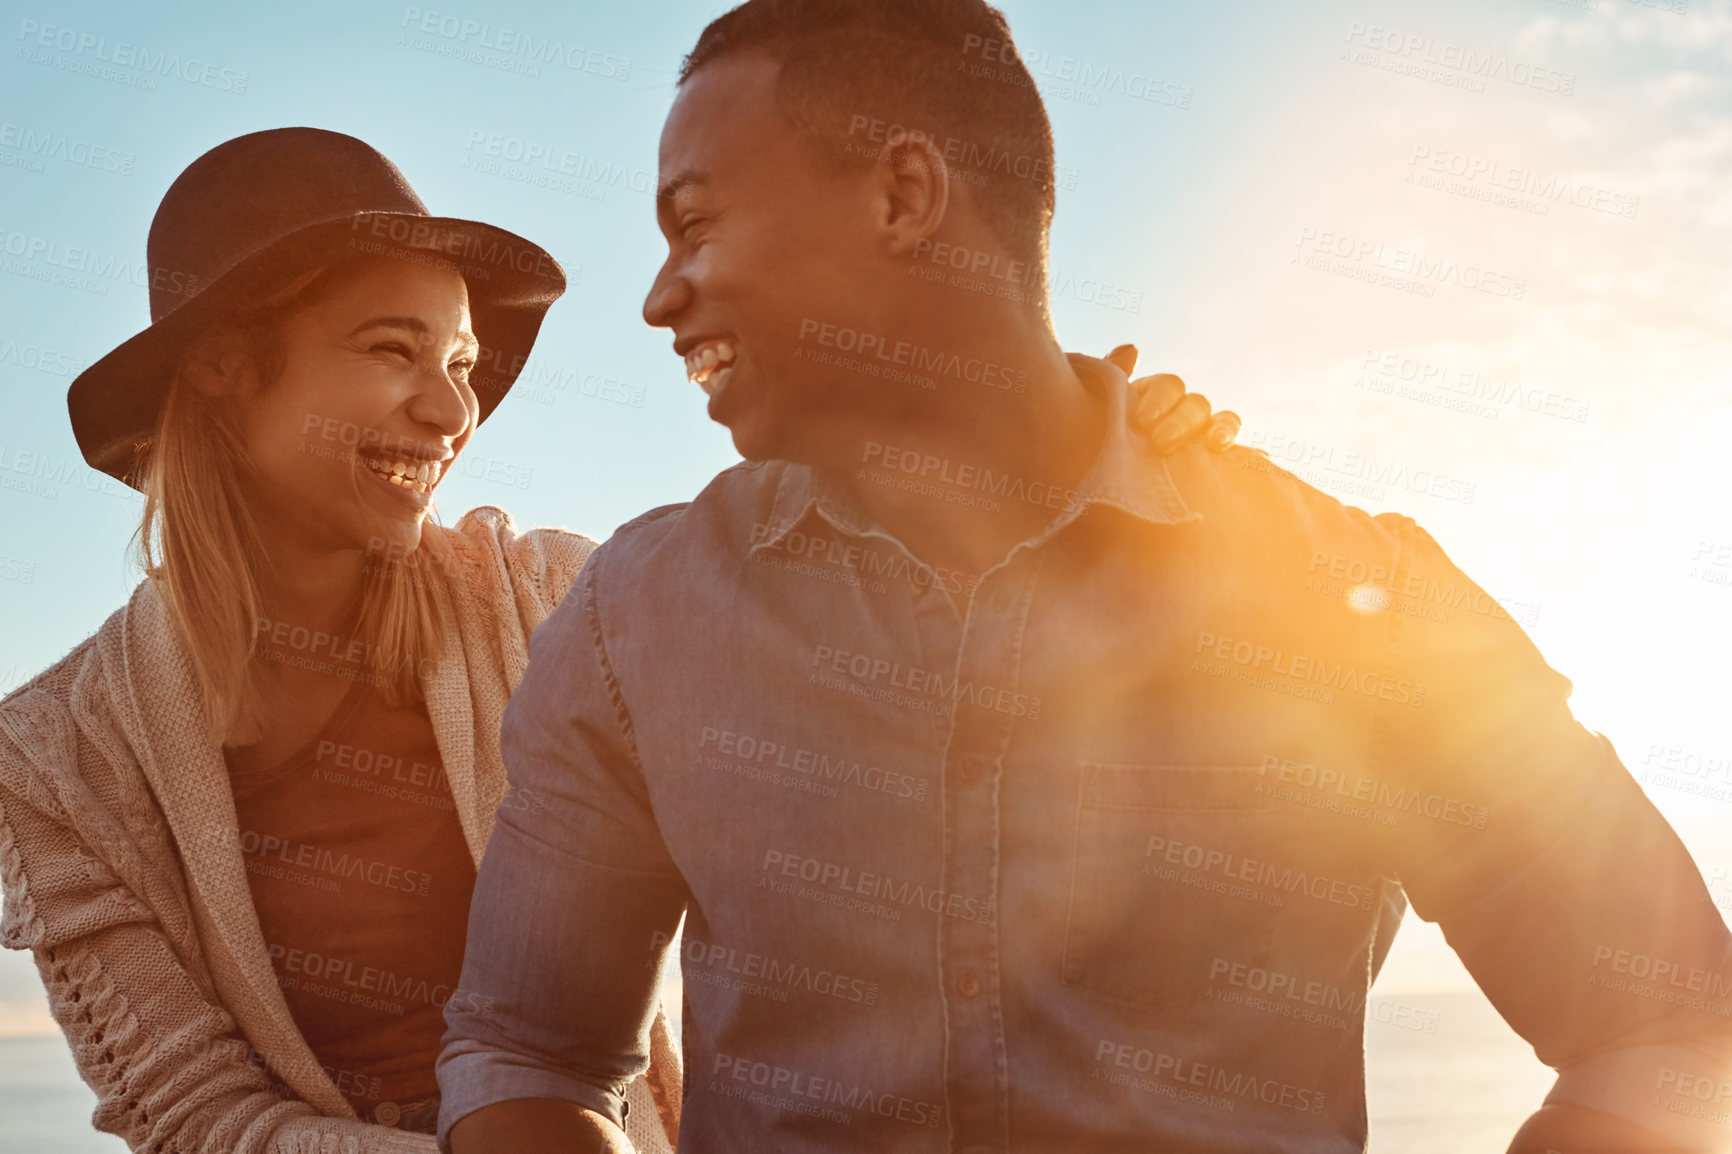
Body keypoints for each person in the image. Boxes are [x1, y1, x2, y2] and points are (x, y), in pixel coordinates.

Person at [438, 3, 1732, 1153]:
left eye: (695, 221)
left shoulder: (1348, 598)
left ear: (903, 195)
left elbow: (1675, 1022)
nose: (661, 296)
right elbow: (526, 1054)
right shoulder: (635, 618)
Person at [0, 126, 1229, 1153]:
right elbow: (191, 1114)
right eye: (395, 352)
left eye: (466, 363)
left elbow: (872, 659)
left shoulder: (554, 601)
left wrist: (1077, 463)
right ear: (222, 367)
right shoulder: (52, 760)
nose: (451, 408)